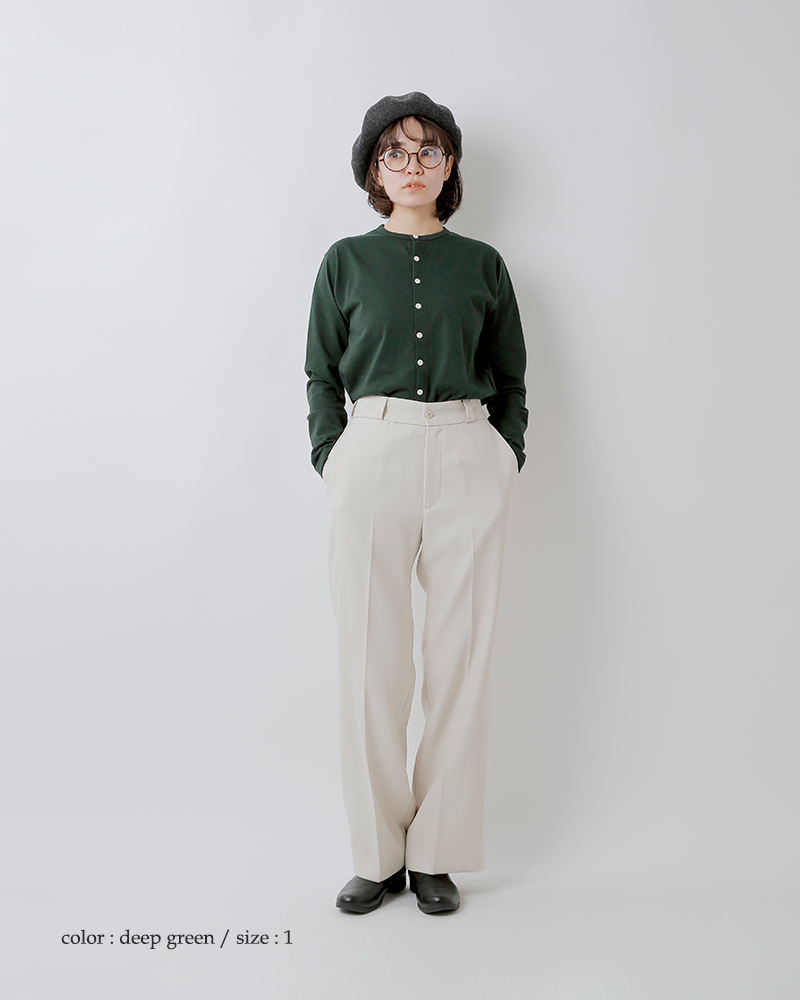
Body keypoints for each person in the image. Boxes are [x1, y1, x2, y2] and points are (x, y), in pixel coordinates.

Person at [305, 92, 527, 915]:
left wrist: (505, 455)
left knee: (460, 660)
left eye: (429, 150)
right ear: (373, 169)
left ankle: (435, 853)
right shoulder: (344, 262)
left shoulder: (484, 265)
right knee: (371, 661)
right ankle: (376, 853)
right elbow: (321, 375)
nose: (412, 165)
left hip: (469, 453)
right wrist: (333, 458)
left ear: (449, 165)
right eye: (394, 152)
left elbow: (512, 378)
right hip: (372, 452)